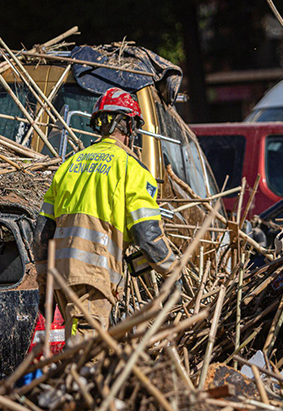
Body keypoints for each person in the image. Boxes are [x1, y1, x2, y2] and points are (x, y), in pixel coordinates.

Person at [34, 87, 176, 340]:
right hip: (92, 280)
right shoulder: (130, 168)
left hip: (63, 279)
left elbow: (42, 234)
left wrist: (45, 289)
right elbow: (147, 234)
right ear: (129, 127)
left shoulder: (69, 165)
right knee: (86, 356)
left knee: (98, 350)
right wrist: (172, 271)